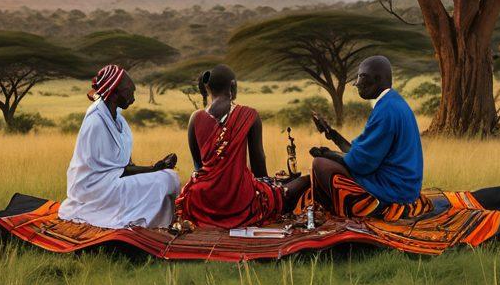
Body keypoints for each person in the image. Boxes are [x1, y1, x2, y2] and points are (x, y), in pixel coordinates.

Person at [175, 65, 310, 228]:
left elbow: (198, 167)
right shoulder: (249, 115)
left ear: (208, 88)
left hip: (201, 199)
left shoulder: (195, 118)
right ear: (232, 85)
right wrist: (270, 188)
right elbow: (258, 166)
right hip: (240, 197)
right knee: (304, 181)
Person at [57, 64, 180, 229]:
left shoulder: (118, 119)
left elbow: (123, 166)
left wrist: (157, 167)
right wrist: (152, 169)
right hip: (95, 190)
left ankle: (156, 220)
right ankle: (143, 221)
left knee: (170, 176)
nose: (133, 97)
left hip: (113, 181)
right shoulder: (95, 122)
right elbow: (113, 171)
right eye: (129, 91)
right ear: (114, 94)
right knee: (163, 181)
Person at [308, 55, 429, 220]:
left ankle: (370, 209)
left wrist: (329, 155)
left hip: (394, 189)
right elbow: (362, 154)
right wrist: (333, 135)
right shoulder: (392, 102)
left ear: (378, 79)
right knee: (324, 165)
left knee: (320, 164)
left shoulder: (386, 111)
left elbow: (361, 163)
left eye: (362, 77)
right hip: (402, 185)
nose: (358, 83)